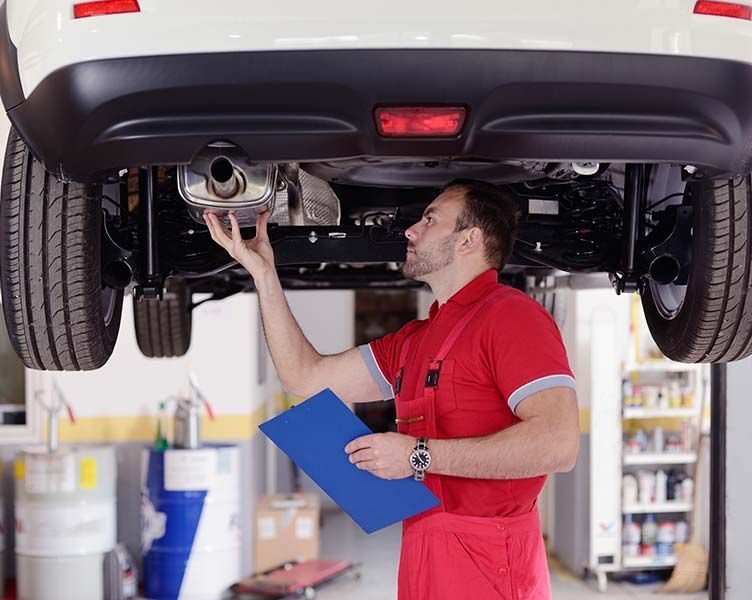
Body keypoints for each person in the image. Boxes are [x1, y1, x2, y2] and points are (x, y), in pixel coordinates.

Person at [205, 180, 579, 600]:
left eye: (430, 219)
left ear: (469, 240)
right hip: (423, 551)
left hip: (492, 561)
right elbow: (305, 378)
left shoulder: (512, 317)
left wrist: (416, 455)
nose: (410, 230)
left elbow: (558, 443)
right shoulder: (414, 340)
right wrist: (263, 273)